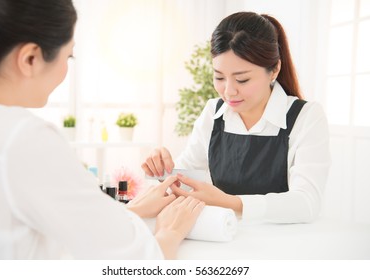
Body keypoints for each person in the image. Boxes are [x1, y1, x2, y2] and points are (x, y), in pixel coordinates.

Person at [0, 0, 204, 259]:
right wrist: (170, 232)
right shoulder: (21, 139)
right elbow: (136, 261)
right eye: (69, 56)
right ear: (30, 58)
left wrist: (129, 211)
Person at [142, 12, 331, 224]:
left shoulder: (306, 117)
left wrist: (232, 203)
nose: (229, 91)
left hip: (282, 246)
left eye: (242, 79)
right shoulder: (213, 112)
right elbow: (185, 182)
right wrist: (163, 171)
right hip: (220, 236)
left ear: (274, 70)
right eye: (219, 77)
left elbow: (306, 203)